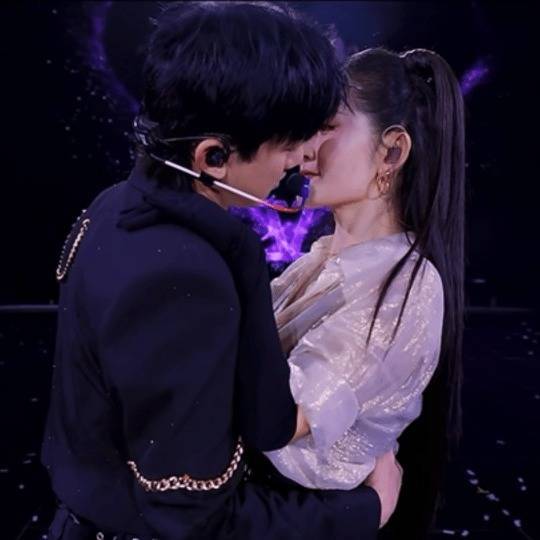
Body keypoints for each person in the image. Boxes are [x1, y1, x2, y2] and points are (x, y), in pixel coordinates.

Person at [42, 4, 402, 540]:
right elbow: (196, 519)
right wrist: (367, 510)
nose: (303, 158)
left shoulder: (112, 206)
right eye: (288, 143)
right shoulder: (185, 280)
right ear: (213, 157)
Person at [258, 47, 465, 540]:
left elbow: (280, 417)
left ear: (392, 151)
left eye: (326, 126)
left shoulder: (407, 288)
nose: (303, 147)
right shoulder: (318, 262)